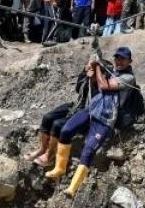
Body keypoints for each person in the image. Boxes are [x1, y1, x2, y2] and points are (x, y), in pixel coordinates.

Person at [46, 46, 137, 198]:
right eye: (117, 58)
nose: (119, 61)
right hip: (92, 109)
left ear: (129, 61)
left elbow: (104, 86)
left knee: (88, 150)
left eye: (122, 59)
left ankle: (73, 188)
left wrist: (98, 67)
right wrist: (91, 70)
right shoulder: (112, 71)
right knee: (66, 130)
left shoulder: (128, 78)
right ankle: (59, 168)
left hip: (105, 118)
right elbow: (96, 82)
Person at [23, 58, 96, 167]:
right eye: (88, 64)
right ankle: (42, 149)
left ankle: (50, 156)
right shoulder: (86, 74)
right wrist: (84, 73)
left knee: (58, 124)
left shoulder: (101, 77)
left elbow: (98, 97)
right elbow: (78, 89)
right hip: (77, 105)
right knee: (47, 117)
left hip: (86, 110)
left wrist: (94, 79)